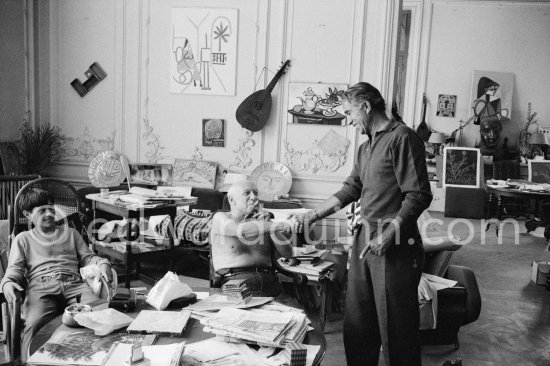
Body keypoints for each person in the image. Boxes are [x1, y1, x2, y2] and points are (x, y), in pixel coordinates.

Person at [293, 82, 432, 366]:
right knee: (358, 326)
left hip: (395, 247)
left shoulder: (402, 138)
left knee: (398, 332)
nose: (349, 119)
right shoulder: (365, 147)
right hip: (364, 243)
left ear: (366, 107)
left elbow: (418, 195)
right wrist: (312, 215)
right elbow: (349, 190)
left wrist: (390, 233)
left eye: (350, 112)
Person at [1, 188, 113, 358]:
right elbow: (13, 270)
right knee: (36, 324)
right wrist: (8, 283)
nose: (49, 214)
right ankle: (29, 360)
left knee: (97, 315)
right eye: (42, 210)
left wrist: (102, 263)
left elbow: (88, 257)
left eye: (51, 208)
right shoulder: (23, 238)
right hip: (41, 287)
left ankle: (96, 357)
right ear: (28, 214)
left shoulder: (71, 234)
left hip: (74, 285)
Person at [210, 181, 293, 296]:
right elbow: (241, 231)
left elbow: (288, 253)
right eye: (247, 193)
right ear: (232, 200)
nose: (254, 197)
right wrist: (278, 225)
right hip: (236, 283)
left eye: (256, 193)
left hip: (270, 281)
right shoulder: (220, 218)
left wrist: (270, 226)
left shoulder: (264, 224)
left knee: (297, 312)